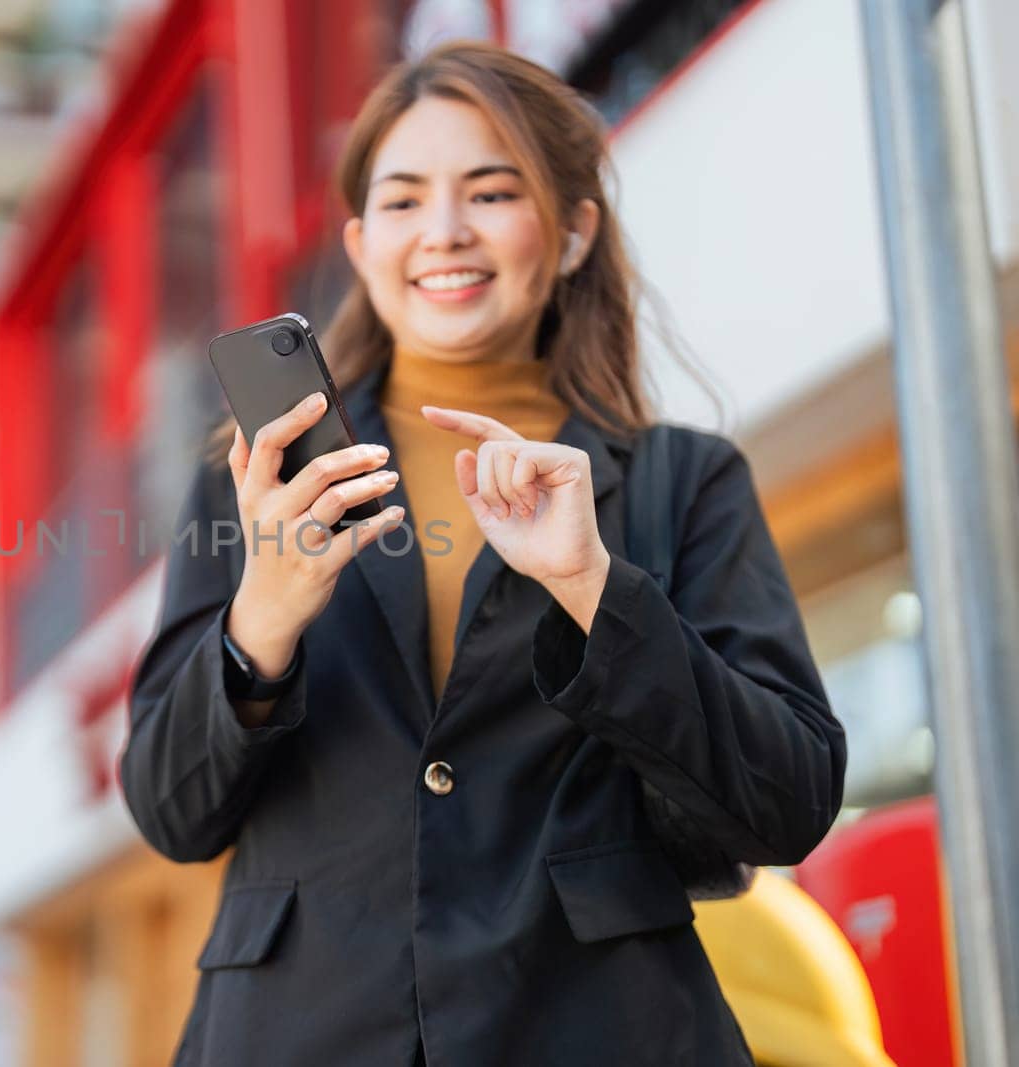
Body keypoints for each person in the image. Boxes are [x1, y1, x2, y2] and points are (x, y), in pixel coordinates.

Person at [120, 40, 846, 1067]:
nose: (445, 232)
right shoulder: (257, 476)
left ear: (576, 230)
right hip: (296, 1029)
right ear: (362, 243)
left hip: (597, 1026)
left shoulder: (682, 481)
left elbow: (785, 803)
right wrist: (263, 621)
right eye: (405, 201)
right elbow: (169, 808)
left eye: (492, 192)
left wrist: (593, 590)